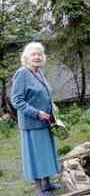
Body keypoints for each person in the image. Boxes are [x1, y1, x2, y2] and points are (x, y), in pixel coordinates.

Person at [11, 42, 60, 196]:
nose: (37, 57)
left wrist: (53, 111)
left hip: (45, 122)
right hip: (32, 123)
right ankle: (39, 189)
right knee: (35, 156)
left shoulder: (38, 72)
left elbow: (45, 93)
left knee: (44, 154)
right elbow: (16, 100)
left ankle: (46, 183)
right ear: (26, 57)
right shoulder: (22, 73)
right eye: (34, 54)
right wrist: (36, 113)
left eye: (39, 54)